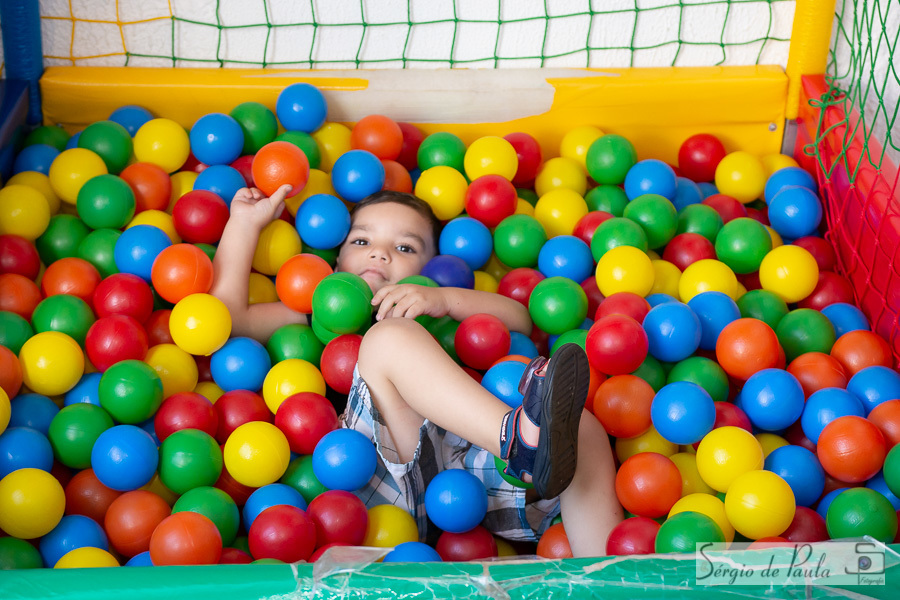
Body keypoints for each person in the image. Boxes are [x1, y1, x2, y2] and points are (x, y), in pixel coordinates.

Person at [210, 184, 622, 557]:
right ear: (336, 262)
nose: (380, 253)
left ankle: (607, 576)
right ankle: (518, 440)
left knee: (581, 429)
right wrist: (244, 224)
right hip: (372, 491)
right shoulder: (309, 318)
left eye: (405, 248)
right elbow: (225, 319)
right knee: (388, 339)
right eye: (362, 240)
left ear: (428, 268)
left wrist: (444, 299)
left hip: (475, 478)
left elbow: (517, 317)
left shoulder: (438, 310)